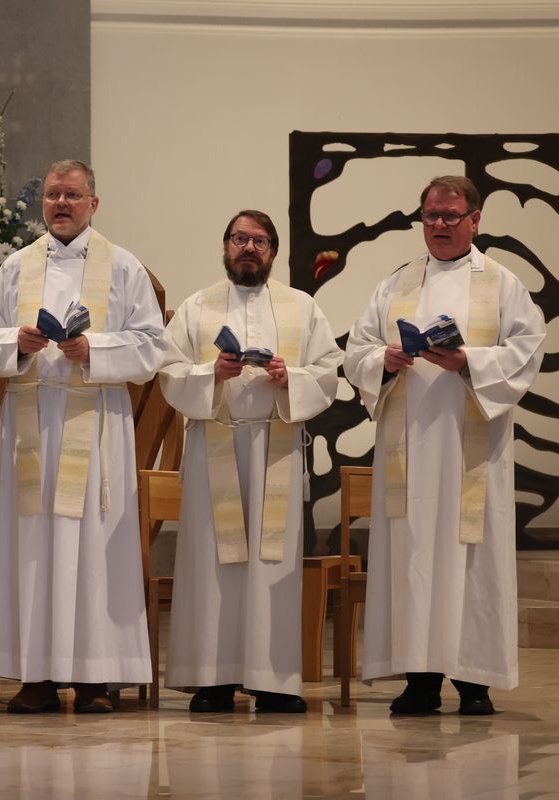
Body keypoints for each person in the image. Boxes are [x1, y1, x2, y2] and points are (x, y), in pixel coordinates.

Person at [344, 176, 544, 715]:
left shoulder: (502, 284)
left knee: (471, 560)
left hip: (469, 451)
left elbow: (527, 349)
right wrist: (382, 361)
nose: (439, 225)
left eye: (451, 216)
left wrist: (469, 363)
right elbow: (356, 349)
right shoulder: (397, 283)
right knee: (413, 559)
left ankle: (474, 684)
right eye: (430, 215)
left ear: (475, 220)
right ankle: (421, 681)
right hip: (408, 451)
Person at [0, 159, 165, 713]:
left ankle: (94, 677)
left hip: (97, 419)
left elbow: (152, 347)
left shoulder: (124, 268)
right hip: (31, 424)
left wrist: (94, 350)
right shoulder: (13, 268)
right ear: (43, 203)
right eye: (53, 195)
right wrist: (18, 342)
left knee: (93, 548)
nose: (61, 204)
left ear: (93, 203)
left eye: (72, 196)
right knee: (32, 548)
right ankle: (33, 674)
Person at [158, 209, 342, 713]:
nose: (248, 248)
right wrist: (210, 372)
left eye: (259, 241)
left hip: (274, 445)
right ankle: (211, 679)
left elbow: (329, 371)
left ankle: (273, 679)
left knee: (271, 563)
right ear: (225, 246)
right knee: (212, 562)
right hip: (214, 444)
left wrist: (293, 377)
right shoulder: (197, 307)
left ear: (273, 252)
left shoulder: (301, 308)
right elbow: (169, 372)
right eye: (240, 238)